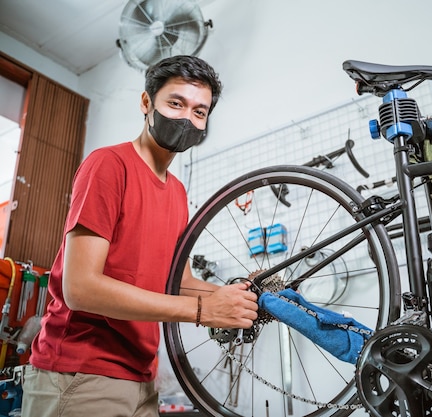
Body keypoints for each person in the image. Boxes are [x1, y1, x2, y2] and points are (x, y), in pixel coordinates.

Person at [21, 55, 259, 417]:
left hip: (141, 378)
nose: (187, 119)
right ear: (147, 102)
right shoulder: (109, 165)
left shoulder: (177, 192)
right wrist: (201, 310)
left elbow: (177, 283)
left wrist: (242, 297)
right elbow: (80, 288)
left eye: (199, 112)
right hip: (80, 373)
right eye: (175, 103)